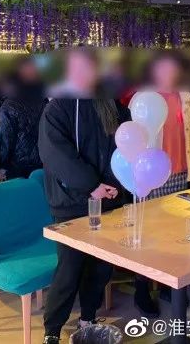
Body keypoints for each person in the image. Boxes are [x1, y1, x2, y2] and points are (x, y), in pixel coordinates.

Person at [39, 48, 127, 344]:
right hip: (70, 202)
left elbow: (124, 145)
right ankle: (52, 329)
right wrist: (91, 184)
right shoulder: (58, 108)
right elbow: (56, 154)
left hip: (108, 199)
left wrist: (112, 183)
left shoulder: (111, 104)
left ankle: (88, 317)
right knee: (70, 267)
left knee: (101, 265)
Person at [133, 50, 190, 315]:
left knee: (174, 234)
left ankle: (168, 284)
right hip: (151, 175)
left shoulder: (186, 98)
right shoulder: (143, 98)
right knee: (146, 233)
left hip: (179, 174)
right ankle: (142, 288)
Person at [0, 58, 47, 180]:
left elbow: (5, 140)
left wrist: (0, 165)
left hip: (16, 168)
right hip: (42, 165)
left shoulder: (9, 105)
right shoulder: (44, 101)